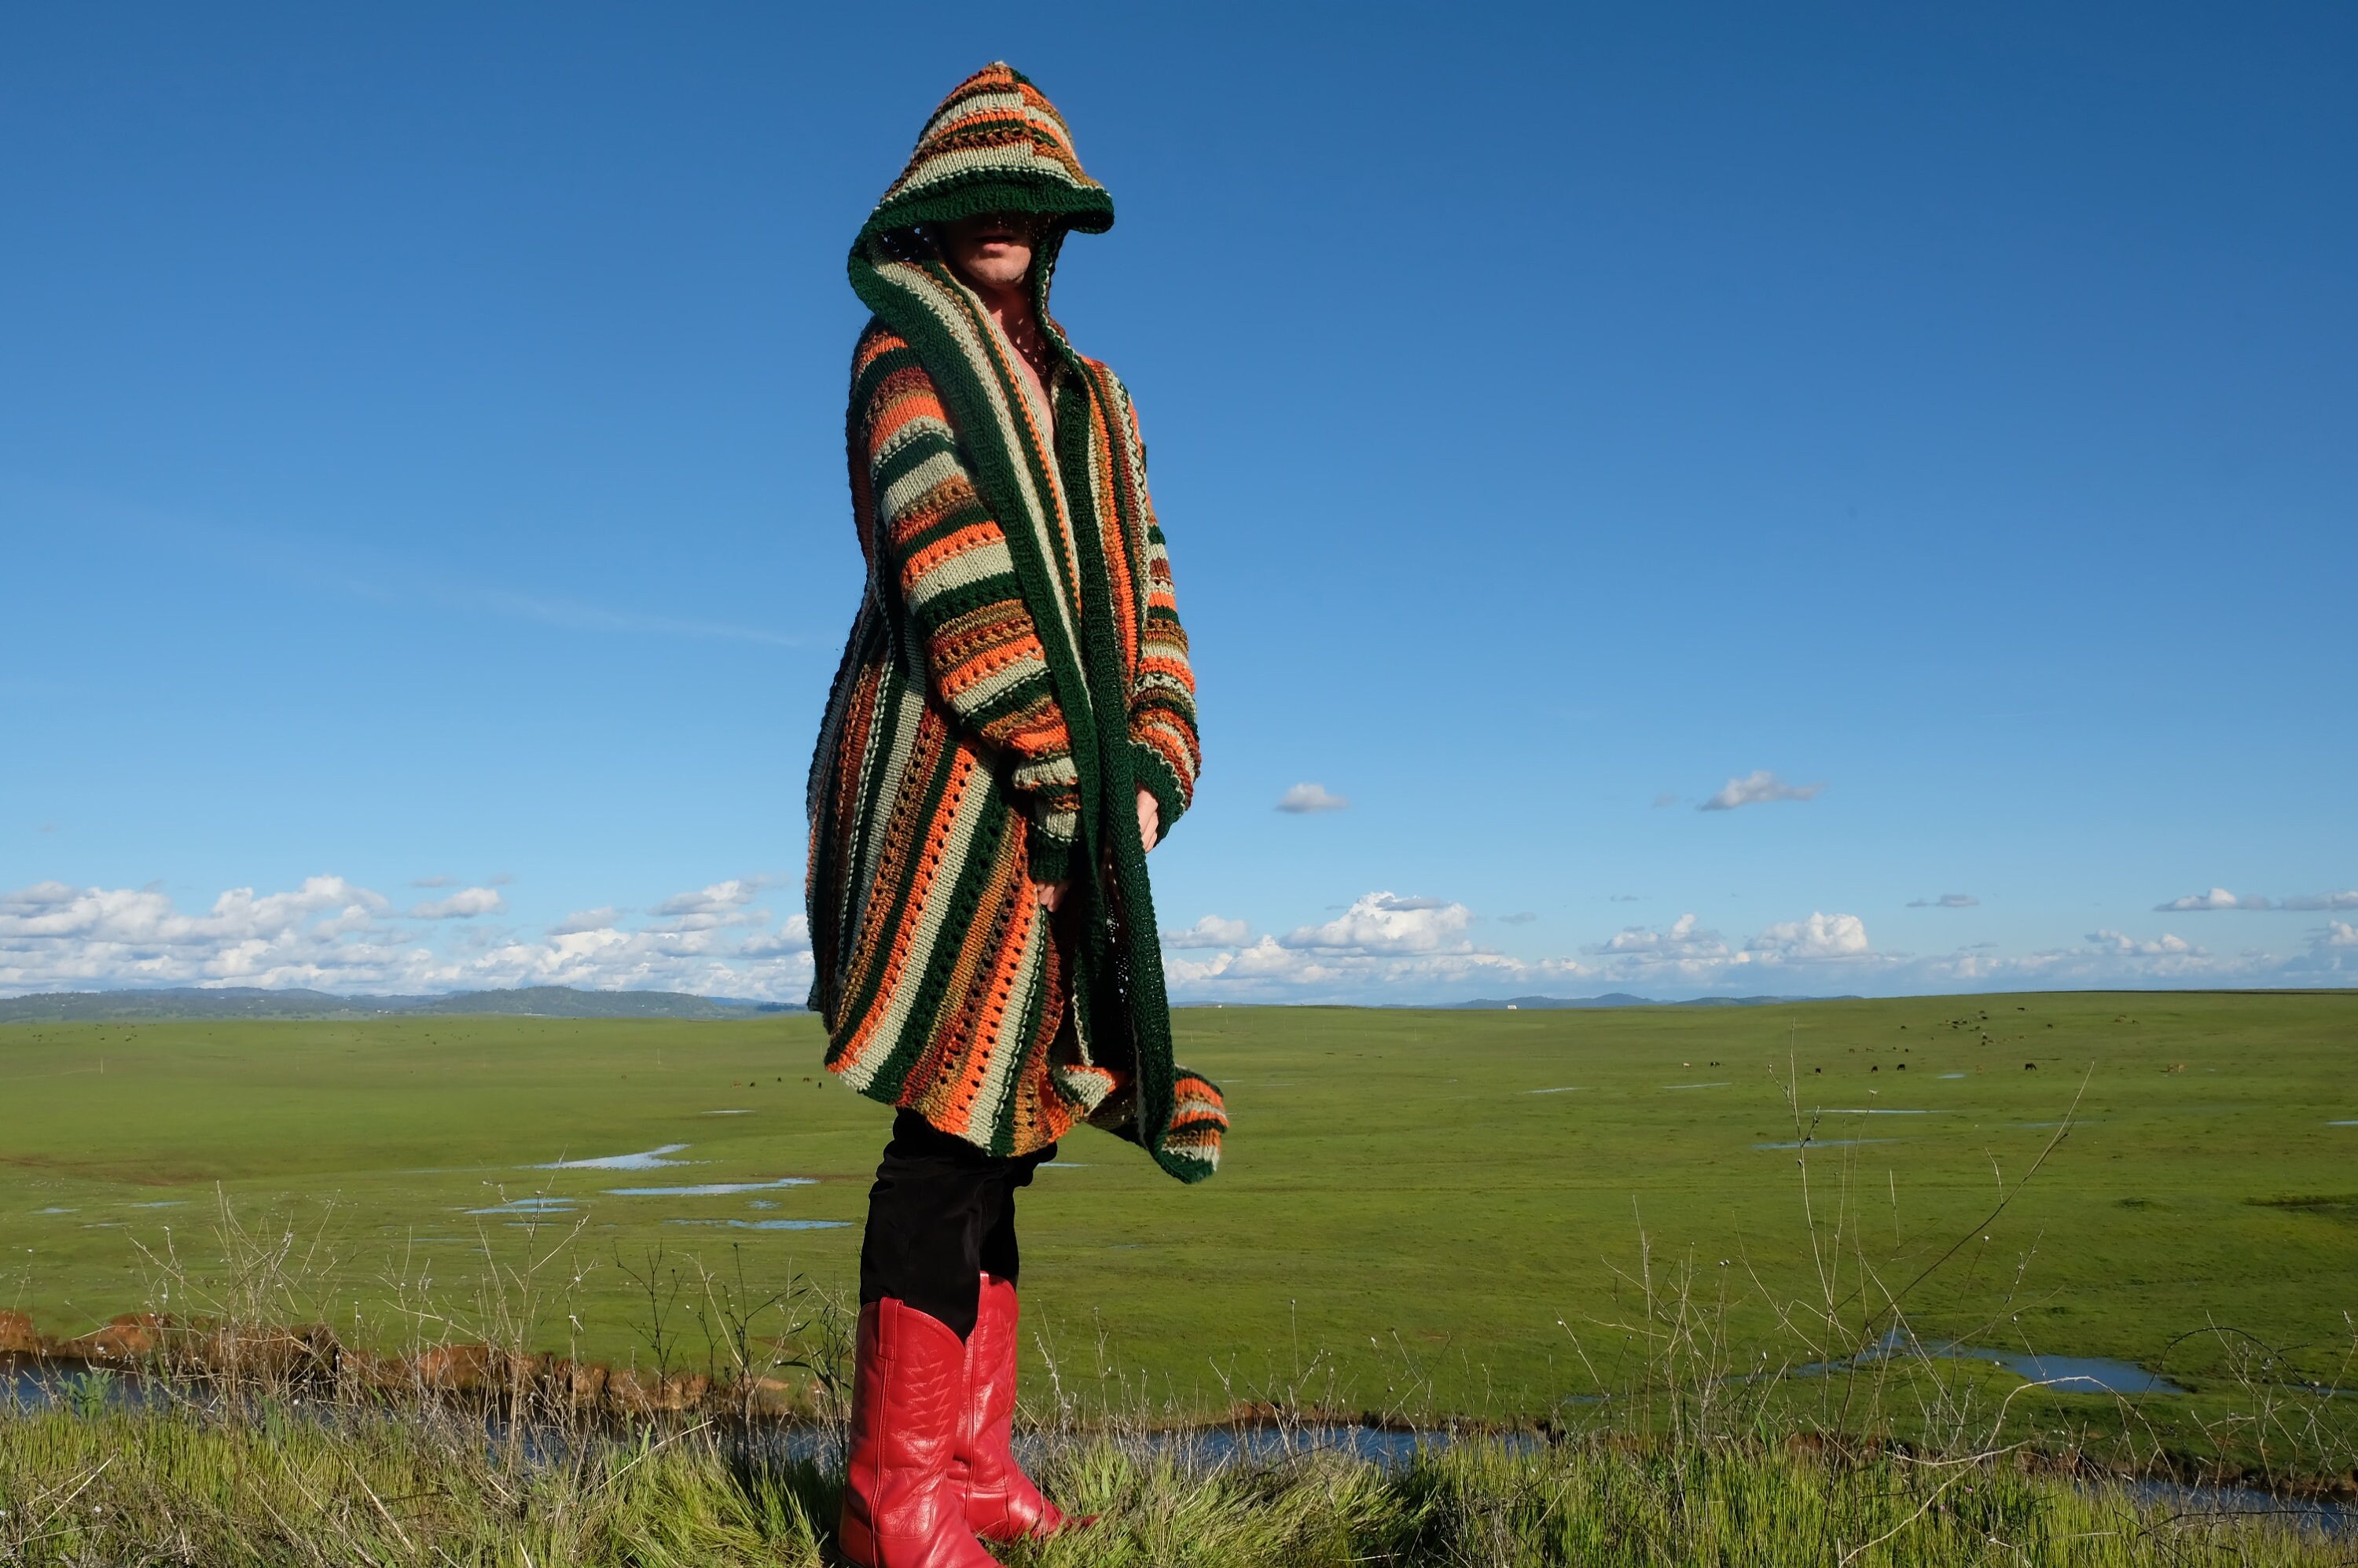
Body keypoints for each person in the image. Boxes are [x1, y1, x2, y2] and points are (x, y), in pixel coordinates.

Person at [804, 63, 1228, 1568]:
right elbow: (944, 558)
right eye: (974, 189)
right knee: (942, 1132)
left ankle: (972, 1469)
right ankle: (891, 1503)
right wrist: (1067, 765)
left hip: (1074, 804)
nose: (1002, 216)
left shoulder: (1097, 395)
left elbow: (1151, 580)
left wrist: (1155, 754)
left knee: (1010, 1131)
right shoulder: (900, 353)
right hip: (943, 787)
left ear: (1057, 220)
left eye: (1026, 193)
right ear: (934, 208)